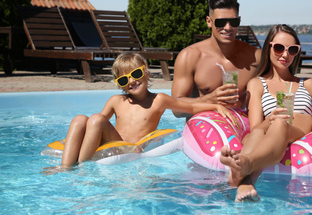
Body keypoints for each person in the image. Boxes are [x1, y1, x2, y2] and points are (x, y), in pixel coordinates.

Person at [220, 24, 312, 202]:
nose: (285, 55)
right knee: (266, 128)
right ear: (268, 47)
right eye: (278, 48)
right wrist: (270, 120)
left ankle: (245, 164)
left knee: (281, 123)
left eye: (292, 50)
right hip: (269, 130)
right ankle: (246, 182)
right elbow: (256, 128)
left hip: (297, 129)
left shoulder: (308, 84)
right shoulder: (257, 84)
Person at [44, 52, 237, 174]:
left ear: (146, 73)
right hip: (110, 142)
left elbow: (190, 107)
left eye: (136, 74)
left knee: (95, 118)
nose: (131, 82)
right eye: (123, 80)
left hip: (128, 147)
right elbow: (94, 127)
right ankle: (66, 167)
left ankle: (82, 169)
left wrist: (215, 106)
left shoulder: (158, 100)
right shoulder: (116, 101)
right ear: (118, 84)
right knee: (80, 119)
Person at [171, 0, 262, 118]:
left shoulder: (255, 57)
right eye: (221, 22)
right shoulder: (190, 57)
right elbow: (176, 109)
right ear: (209, 22)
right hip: (202, 127)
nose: (228, 27)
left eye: (233, 21)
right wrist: (210, 99)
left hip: (238, 126)